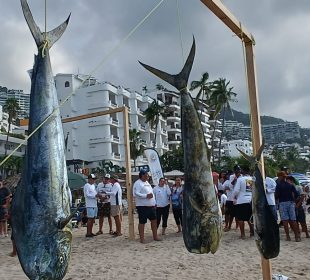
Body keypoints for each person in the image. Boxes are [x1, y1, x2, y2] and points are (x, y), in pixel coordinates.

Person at [133, 170, 160, 243]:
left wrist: (154, 203)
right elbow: (136, 194)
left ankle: (155, 236)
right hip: (142, 206)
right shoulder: (138, 183)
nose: (148, 177)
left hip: (151, 206)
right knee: (142, 222)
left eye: (148, 175)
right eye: (146, 175)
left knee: (154, 221)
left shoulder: (147, 182)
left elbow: (151, 194)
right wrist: (146, 196)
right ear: (142, 175)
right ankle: (142, 239)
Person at [275, 171, 301, 242]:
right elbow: (297, 195)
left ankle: (288, 236)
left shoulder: (279, 185)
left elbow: (276, 196)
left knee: (285, 220)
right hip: (291, 203)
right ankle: (296, 236)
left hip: (282, 203)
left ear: (280, 177)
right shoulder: (290, 185)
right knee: (293, 220)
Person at [233, 165, 254, 239]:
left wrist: (234, 196)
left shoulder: (240, 179)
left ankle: (243, 234)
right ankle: (252, 233)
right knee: (250, 218)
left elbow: (236, 191)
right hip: (250, 200)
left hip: (241, 200)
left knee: (241, 218)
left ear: (242, 171)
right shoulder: (251, 179)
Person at [224, 167, 241, 232]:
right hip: (230, 198)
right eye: (236, 170)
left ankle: (237, 226)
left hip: (237, 198)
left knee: (236, 214)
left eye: (239, 170)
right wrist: (234, 179)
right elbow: (231, 186)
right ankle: (228, 226)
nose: (238, 172)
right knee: (228, 213)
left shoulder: (242, 177)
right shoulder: (232, 176)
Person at [83, 173, 100, 238]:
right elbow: (87, 195)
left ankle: (90, 231)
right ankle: (88, 233)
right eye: (93, 179)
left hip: (94, 204)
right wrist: (95, 196)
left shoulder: (93, 186)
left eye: (94, 179)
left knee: (93, 218)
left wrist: (97, 196)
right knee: (90, 219)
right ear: (89, 179)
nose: (94, 180)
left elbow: (94, 194)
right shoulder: (86, 185)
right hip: (90, 204)